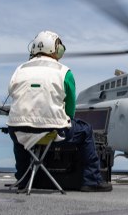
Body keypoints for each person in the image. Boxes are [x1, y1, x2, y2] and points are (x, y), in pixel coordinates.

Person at [7, 30, 112, 192]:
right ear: (53, 49)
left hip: (17, 129)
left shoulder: (19, 70)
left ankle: (23, 179)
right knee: (85, 130)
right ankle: (91, 180)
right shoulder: (64, 72)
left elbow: (14, 95)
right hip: (53, 131)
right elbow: (70, 109)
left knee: (20, 137)